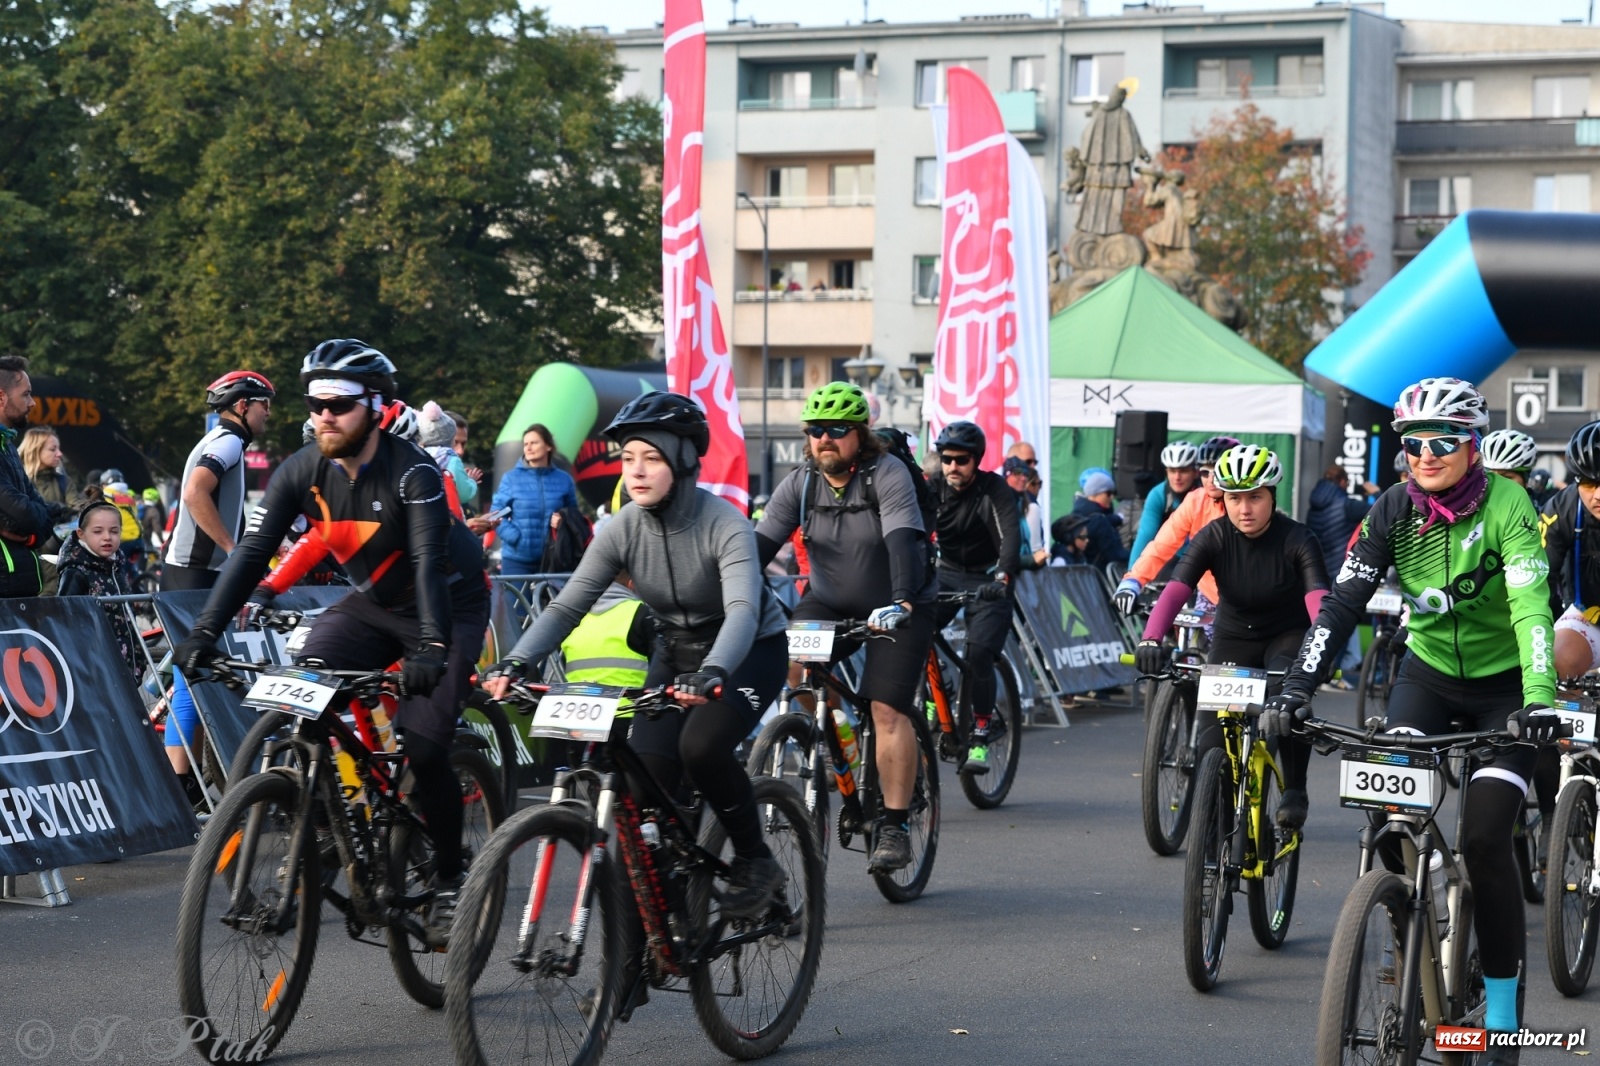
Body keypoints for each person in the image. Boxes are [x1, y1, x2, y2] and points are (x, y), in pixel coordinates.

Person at [1263, 377, 1562, 1057]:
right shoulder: (1392, 508)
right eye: (1412, 443)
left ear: (1472, 444)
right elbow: (1341, 605)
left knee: (1485, 839)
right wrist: (1297, 688)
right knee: (1388, 814)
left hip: (1506, 691)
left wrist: (1540, 696)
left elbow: (1529, 607)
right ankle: (1407, 937)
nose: (1426, 454)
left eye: (1442, 441)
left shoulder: (1510, 504)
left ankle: (1506, 1012)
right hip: (1424, 680)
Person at [175, 339, 490, 947]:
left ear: (376, 407)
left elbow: (427, 563)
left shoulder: (415, 471)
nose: (323, 414)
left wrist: (429, 647)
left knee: (425, 750)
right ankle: (328, 818)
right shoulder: (301, 470)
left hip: (447, 606)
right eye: (315, 403)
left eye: (339, 404)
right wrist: (205, 631)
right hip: (373, 605)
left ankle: (451, 875)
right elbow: (251, 553)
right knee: (307, 688)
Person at [483, 391, 789, 938]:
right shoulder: (621, 528)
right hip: (675, 651)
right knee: (641, 786)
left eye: (650, 457)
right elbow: (568, 604)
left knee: (700, 747)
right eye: (627, 459)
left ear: (683, 460)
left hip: (745, 652)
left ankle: (755, 856)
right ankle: (660, 922)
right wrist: (515, 659)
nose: (636, 471)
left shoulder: (726, 523)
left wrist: (716, 671)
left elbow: (743, 609)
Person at [753, 381, 939, 873]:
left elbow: (902, 539)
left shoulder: (888, 473)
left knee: (887, 709)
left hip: (900, 604)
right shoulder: (801, 482)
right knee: (797, 669)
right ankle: (836, 737)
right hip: (829, 602)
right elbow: (760, 545)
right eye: (816, 431)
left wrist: (900, 599)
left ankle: (894, 825)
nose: (825, 439)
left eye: (837, 430)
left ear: (860, 434)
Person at [1135, 445, 1328, 828]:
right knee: (1211, 743)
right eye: (1235, 498)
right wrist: (1151, 639)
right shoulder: (1213, 536)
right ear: (1222, 500)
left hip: (1286, 635)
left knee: (1288, 701)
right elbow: (1176, 589)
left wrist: (1324, 647)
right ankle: (1220, 826)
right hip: (1234, 638)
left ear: (1272, 495)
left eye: (1255, 497)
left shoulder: (1298, 539)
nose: (1245, 509)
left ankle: (1294, 788)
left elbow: (1318, 600)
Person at [161, 369, 275, 804]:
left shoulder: (225, 441)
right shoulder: (227, 441)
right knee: (192, 679)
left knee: (193, 677)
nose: (268, 414)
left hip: (190, 573)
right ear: (243, 406)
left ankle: (186, 780)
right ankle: (181, 781)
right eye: (264, 405)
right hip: (195, 575)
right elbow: (194, 493)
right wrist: (233, 549)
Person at [930, 421, 1022, 774]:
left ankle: (982, 730)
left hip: (988, 577)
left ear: (976, 460)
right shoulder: (933, 488)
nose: (953, 466)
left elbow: (1010, 536)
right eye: (947, 458)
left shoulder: (992, 488)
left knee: (979, 653)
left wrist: (1002, 576)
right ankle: (932, 694)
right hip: (947, 573)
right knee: (912, 630)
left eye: (962, 460)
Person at [1112, 435, 1239, 617]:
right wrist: (1132, 580)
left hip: (1244, 597)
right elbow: (1156, 542)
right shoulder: (1189, 498)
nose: (1210, 479)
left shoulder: (1244, 506)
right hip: (1199, 579)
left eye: (1218, 472)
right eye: (1205, 472)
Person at [0, 356, 70, 597]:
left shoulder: (7, 445)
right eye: (26, 394)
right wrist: (34, 519)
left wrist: (30, 533)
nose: (32, 403)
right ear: (1, 397)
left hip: (19, 589)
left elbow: (40, 517)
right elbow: (24, 514)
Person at [1305, 464, 1379, 687]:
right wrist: (1374, 492)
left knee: (1322, 622)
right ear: (1342, 482)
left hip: (1317, 571)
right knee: (1341, 623)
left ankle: (1318, 673)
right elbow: (1384, 510)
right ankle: (1333, 675)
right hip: (1340, 570)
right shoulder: (1345, 504)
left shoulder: (1314, 504)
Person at [57, 500, 139, 680]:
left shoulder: (116, 567)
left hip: (123, 665)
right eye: (97, 531)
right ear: (81, 534)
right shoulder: (76, 573)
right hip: (93, 669)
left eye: (114, 531)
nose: (107, 537)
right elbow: (63, 619)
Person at [490, 423, 578, 577]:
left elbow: (574, 516)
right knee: (519, 602)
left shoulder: (564, 480)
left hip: (554, 560)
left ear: (548, 446)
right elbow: (496, 514)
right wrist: (516, 538)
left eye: (534, 443)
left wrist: (563, 521)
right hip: (517, 561)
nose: (528, 448)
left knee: (554, 603)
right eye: (525, 444)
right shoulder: (511, 479)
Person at [20, 426, 74, 594]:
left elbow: (80, 510)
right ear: (35, 451)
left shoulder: (64, 481)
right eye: (53, 449)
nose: (59, 454)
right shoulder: (17, 482)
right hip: (27, 561)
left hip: (59, 557)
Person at [1129, 440, 1200, 563]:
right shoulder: (1158, 494)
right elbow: (1145, 535)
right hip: (1170, 557)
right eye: (1172, 471)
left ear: (1196, 473)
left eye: (1183, 471)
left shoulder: (1205, 493)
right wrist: (1130, 577)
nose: (1177, 477)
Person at [1073, 470, 1128, 571]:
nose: (1112, 497)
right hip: (1101, 578)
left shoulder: (1077, 514)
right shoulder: (1099, 520)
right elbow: (1114, 554)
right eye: (1108, 493)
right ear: (1094, 494)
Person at [1002, 456, 1047, 569]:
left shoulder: (1023, 505)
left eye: (1026, 474)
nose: (1023, 478)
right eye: (1017, 473)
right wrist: (1032, 560)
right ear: (1007, 475)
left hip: (1020, 576)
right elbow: (998, 556)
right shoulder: (997, 505)